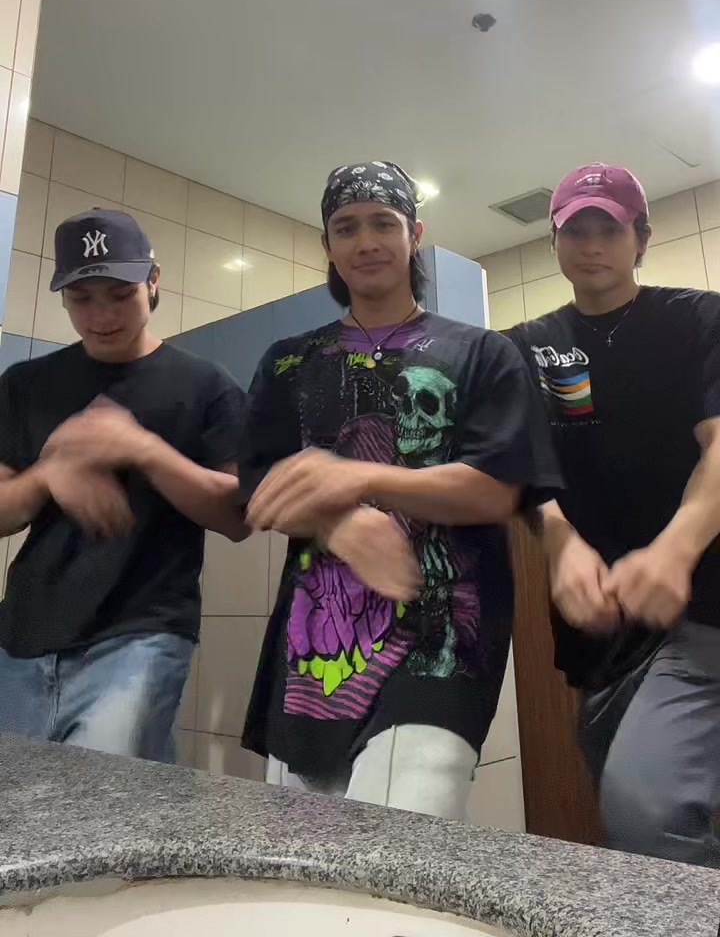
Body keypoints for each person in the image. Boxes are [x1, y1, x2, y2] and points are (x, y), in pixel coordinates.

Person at [240, 161, 559, 820]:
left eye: (383, 224)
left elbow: (498, 488)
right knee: (299, 856)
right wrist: (340, 524)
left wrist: (361, 478)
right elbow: (259, 487)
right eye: (346, 227)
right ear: (327, 245)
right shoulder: (287, 363)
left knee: (397, 853)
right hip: (315, 649)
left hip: (441, 646)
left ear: (414, 234)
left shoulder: (482, 354)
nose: (366, 242)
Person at [507, 163, 720, 868]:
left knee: (647, 813)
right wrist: (561, 544)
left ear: (642, 240)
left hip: (702, 608)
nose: (592, 244)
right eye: (576, 230)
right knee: (632, 827)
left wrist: (676, 549)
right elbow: (526, 471)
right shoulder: (526, 346)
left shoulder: (698, 319)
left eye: (610, 228)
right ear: (555, 241)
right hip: (598, 628)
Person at [0, 208, 247, 761]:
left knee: (103, 802)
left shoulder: (206, 385)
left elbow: (240, 516)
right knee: (14, 804)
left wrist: (144, 450)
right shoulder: (26, 384)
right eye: (82, 298)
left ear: (153, 281)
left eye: (119, 293)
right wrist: (48, 474)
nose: (102, 315)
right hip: (21, 634)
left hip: (141, 632)